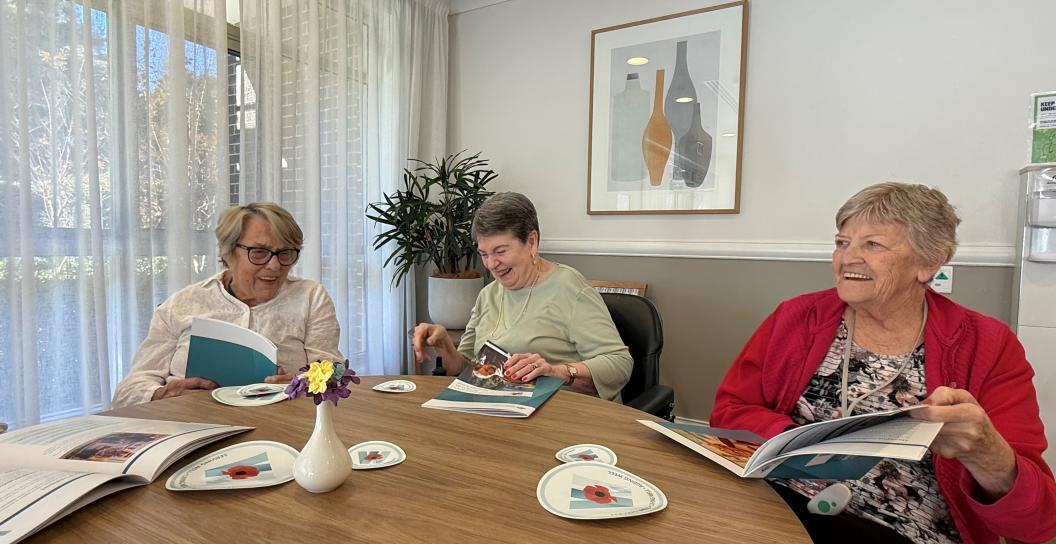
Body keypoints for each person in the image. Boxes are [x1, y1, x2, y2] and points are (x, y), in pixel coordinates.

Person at [711, 182, 1056, 544]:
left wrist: (985, 451)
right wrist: (792, 442)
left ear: (929, 262)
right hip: (779, 507)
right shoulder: (796, 317)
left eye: (872, 244)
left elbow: (1037, 523)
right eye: (842, 242)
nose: (846, 258)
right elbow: (731, 410)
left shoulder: (989, 344)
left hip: (904, 530)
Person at [112, 202, 343, 407]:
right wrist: (160, 394)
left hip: (282, 421)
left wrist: (300, 383)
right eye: (259, 252)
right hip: (193, 424)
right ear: (229, 251)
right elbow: (127, 392)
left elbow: (336, 373)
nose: (275, 265)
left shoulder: (310, 296)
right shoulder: (183, 304)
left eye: (286, 253)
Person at [412, 192, 632, 402]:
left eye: (500, 251)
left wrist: (556, 372)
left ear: (532, 242)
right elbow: (466, 368)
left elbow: (619, 364)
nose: (490, 264)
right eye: (484, 254)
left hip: (563, 416)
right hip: (499, 413)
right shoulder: (488, 294)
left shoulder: (569, 288)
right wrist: (444, 345)